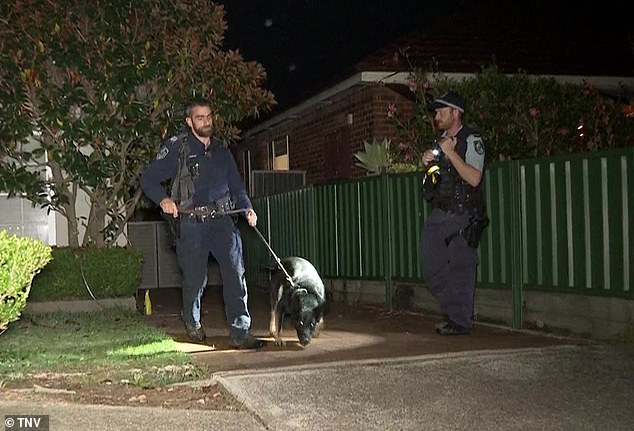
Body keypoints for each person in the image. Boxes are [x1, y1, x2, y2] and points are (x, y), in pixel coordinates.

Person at [140, 98, 263, 349]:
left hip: (223, 221)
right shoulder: (178, 148)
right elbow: (148, 179)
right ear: (189, 121)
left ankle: (241, 331)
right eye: (199, 118)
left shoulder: (221, 150)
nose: (206, 122)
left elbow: (237, 186)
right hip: (192, 223)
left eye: (208, 117)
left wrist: (247, 208)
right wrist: (164, 199)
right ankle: (192, 322)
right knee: (195, 279)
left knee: (235, 275)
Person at [421, 91, 486, 336]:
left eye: (441, 111)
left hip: (464, 214)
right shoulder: (442, 142)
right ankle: (456, 313)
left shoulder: (472, 139)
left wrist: (450, 153)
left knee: (462, 268)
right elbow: (435, 180)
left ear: (455, 113)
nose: (437, 116)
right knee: (432, 268)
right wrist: (428, 163)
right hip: (440, 213)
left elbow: (474, 177)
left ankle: (460, 320)